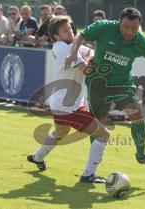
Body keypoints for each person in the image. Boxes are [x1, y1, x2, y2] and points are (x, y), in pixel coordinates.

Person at [65, 7, 145, 171]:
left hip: (123, 85)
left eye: (134, 29)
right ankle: (91, 171)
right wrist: (73, 53)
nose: (129, 32)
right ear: (119, 22)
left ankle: (141, 154)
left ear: (139, 26)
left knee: (137, 115)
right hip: (98, 84)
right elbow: (81, 35)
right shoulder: (104, 27)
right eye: (126, 27)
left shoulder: (141, 41)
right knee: (99, 126)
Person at [27, 15, 109, 183]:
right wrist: (94, 62)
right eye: (65, 30)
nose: (70, 31)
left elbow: (92, 53)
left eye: (70, 28)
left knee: (60, 132)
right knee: (103, 134)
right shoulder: (63, 49)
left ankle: (37, 157)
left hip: (64, 103)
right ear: (56, 36)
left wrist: (90, 55)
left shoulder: (72, 46)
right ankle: (88, 174)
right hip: (67, 106)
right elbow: (86, 70)